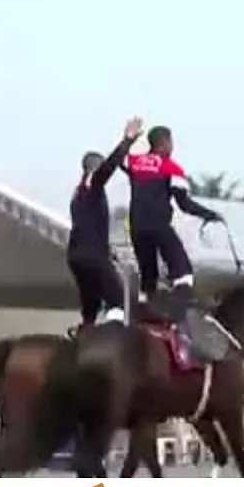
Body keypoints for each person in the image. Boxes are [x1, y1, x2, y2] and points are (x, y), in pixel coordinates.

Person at [122, 123, 225, 341]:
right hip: (159, 227)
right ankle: (173, 318)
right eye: (171, 142)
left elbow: (118, 159)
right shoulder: (171, 168)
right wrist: (210, 215)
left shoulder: (135, 162)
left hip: (137, 229)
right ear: (165, 142)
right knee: (184, 275)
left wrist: (127, 139)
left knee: (148, 280)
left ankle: (141, 319)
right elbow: (184, 204)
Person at [67, 117, 143, 332]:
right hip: (92, 256)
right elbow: (108, 168)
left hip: (76, 257)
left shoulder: (78, 193)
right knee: (118, 301)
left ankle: (84, 336)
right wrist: (127, 141)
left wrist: (108, 250)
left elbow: (88, 227)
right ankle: (113, 338)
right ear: (95, 167)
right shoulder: (94, 184)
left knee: (90, 308)